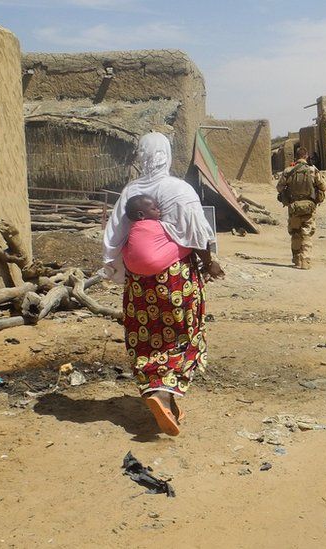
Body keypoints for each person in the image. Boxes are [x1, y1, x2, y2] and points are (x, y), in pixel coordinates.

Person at [103, 132, 225, 437]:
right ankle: (164, 393)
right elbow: (198, 234)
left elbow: (113, 239)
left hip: (138, 285)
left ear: (142, 156)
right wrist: (210, 263)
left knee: (147, 335)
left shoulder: (130, 193)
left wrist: (121, 269)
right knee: (182, 334)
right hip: (175, 278)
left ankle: (158, 393)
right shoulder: (179, 190)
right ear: (167, 155)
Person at [276, 146, 326, 269]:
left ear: (296, 156)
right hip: (309, 206)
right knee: (306, 233)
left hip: (294, 207)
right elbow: (323, 187)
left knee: (295, 233)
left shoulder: (288, 171)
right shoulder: (313, 170)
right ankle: (305, 261)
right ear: (306, 156)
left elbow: (279, 188)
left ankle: (296, 259)